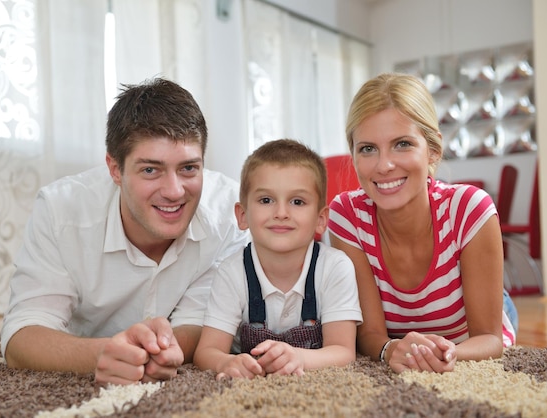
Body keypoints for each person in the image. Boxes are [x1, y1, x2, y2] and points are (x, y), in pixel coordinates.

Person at [0, 78, 249, 385]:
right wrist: (103, 353)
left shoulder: (232, 214)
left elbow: (202, 322)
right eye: (150, 169)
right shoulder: (60, 211)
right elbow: (22, 335)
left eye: (188, 168)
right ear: (115, 169)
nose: (174, 191)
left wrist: (159, 351)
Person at [328, 73, 517, 374]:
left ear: (433, 149)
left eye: (402, 144)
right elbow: (369, 334)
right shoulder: (346, 215)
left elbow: (490, 339)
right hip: (419, 324)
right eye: (367, 148)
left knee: (499, 308)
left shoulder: (469, 208)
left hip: (472, 313)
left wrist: (446, 354)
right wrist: (391, 349)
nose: (384, 165)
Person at [194, 139, 362, 379]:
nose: (281, 213)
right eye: (266, 200)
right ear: (242, 215)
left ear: (321, 219)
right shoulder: (232, 272)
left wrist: (299, 357)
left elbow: (344, 352)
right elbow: (206, 352)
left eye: (297, 202)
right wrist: (227, 363)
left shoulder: (335, 267)